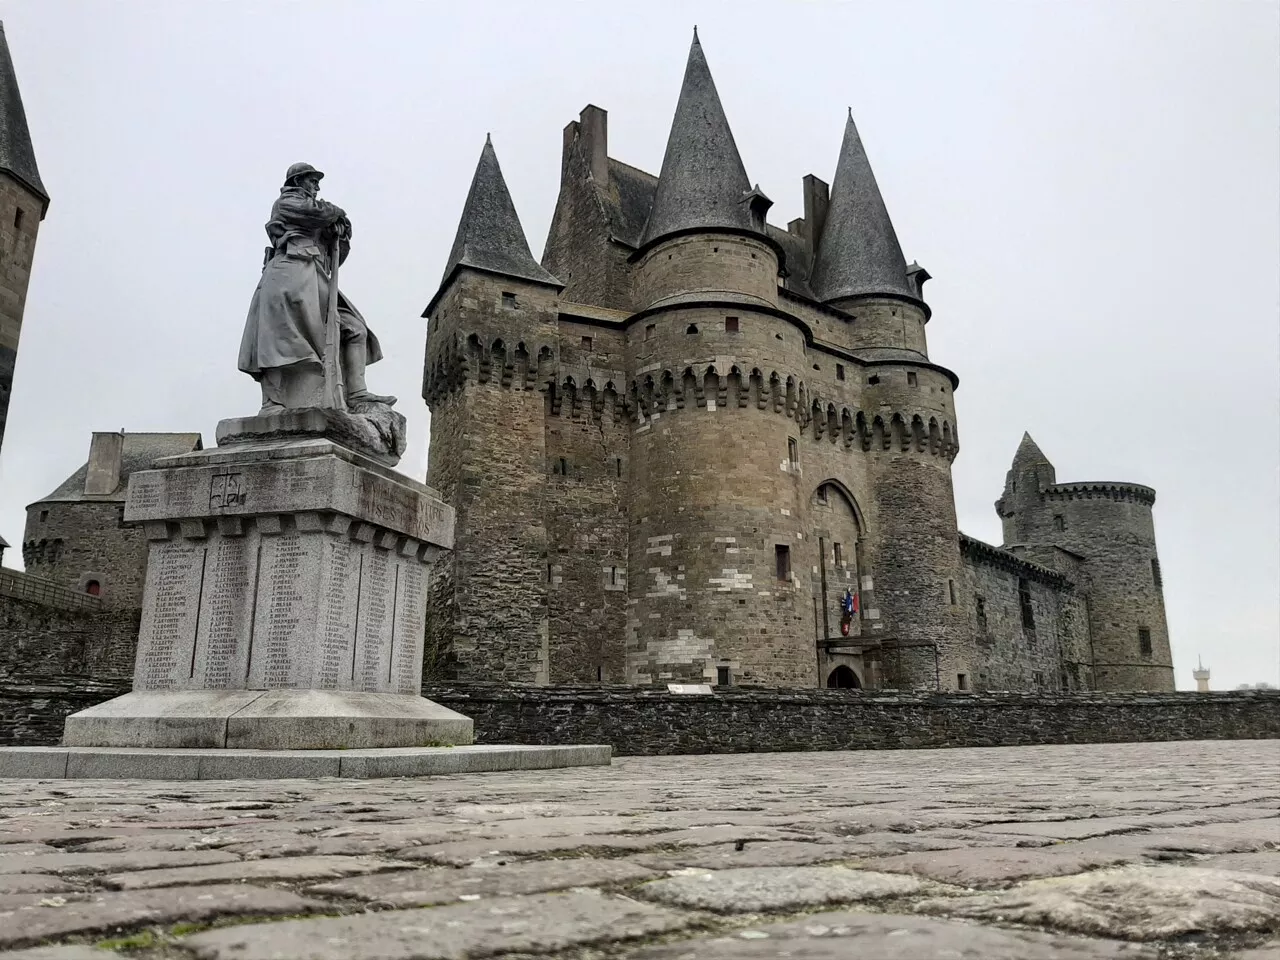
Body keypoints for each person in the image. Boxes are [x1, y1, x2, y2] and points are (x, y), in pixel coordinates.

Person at [238, 162, 395, 412]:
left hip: (314, 273)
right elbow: (317, 212)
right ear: (298, 182)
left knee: (354, 328)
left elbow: (336, 255)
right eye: (312, 181)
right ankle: (272, 402)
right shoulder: (287, 202)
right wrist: (337, 214)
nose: (317, 186)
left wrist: (342, 232)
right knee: (278, 338)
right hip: (287, 272)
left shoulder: (313, 213)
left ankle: (357, 392)